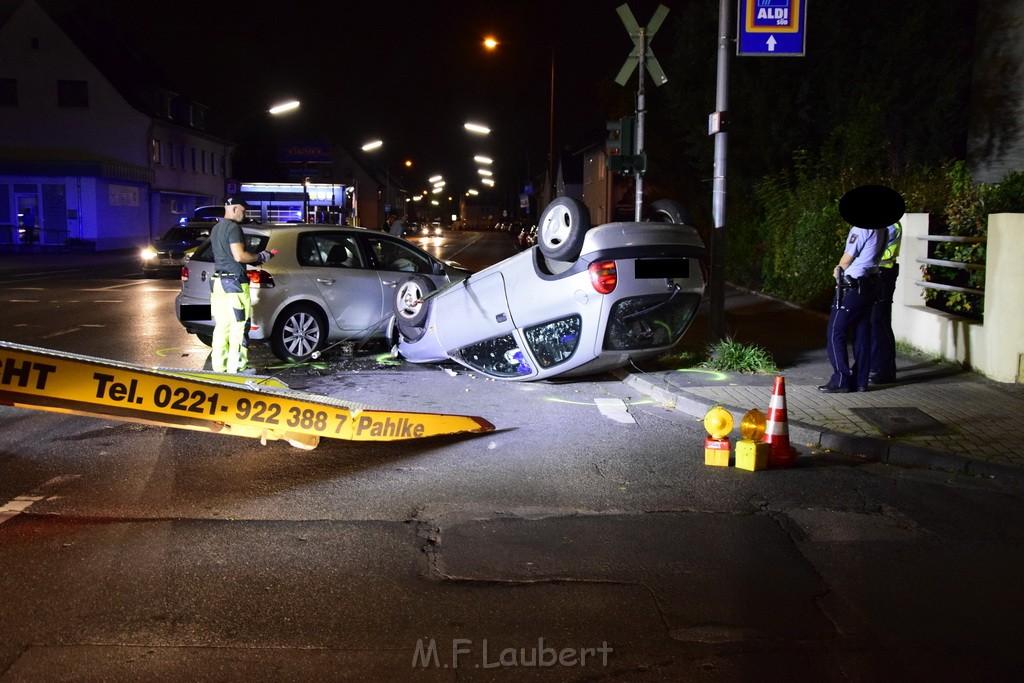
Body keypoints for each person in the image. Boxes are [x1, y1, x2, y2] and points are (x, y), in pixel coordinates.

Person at [209, 198, 276, 374]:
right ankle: (238, 368)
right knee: (239, 327)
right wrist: (261, 257)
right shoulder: (233, 228)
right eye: (243, 211)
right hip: (234, 285)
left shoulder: (216, 229)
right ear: (234, 209)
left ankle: (219, 368)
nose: (244, 214)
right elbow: (239, 256)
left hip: (217, 283)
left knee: (222, 326)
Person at [819, 224, 888, 393]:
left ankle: (840, 379)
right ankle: (860, 381)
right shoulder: (883, 229)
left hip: (853, 284)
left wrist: (838, 271)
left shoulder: (862, 228)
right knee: (862, 333)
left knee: (835, 331)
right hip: (870, 284)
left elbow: (847, 259)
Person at [870, 222, 902, 385]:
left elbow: (878, 250)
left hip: (883, 273)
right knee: (874, 322)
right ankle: (876, 365)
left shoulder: (890, 225)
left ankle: (886, 370)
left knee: (880, 322)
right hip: (877, 273)